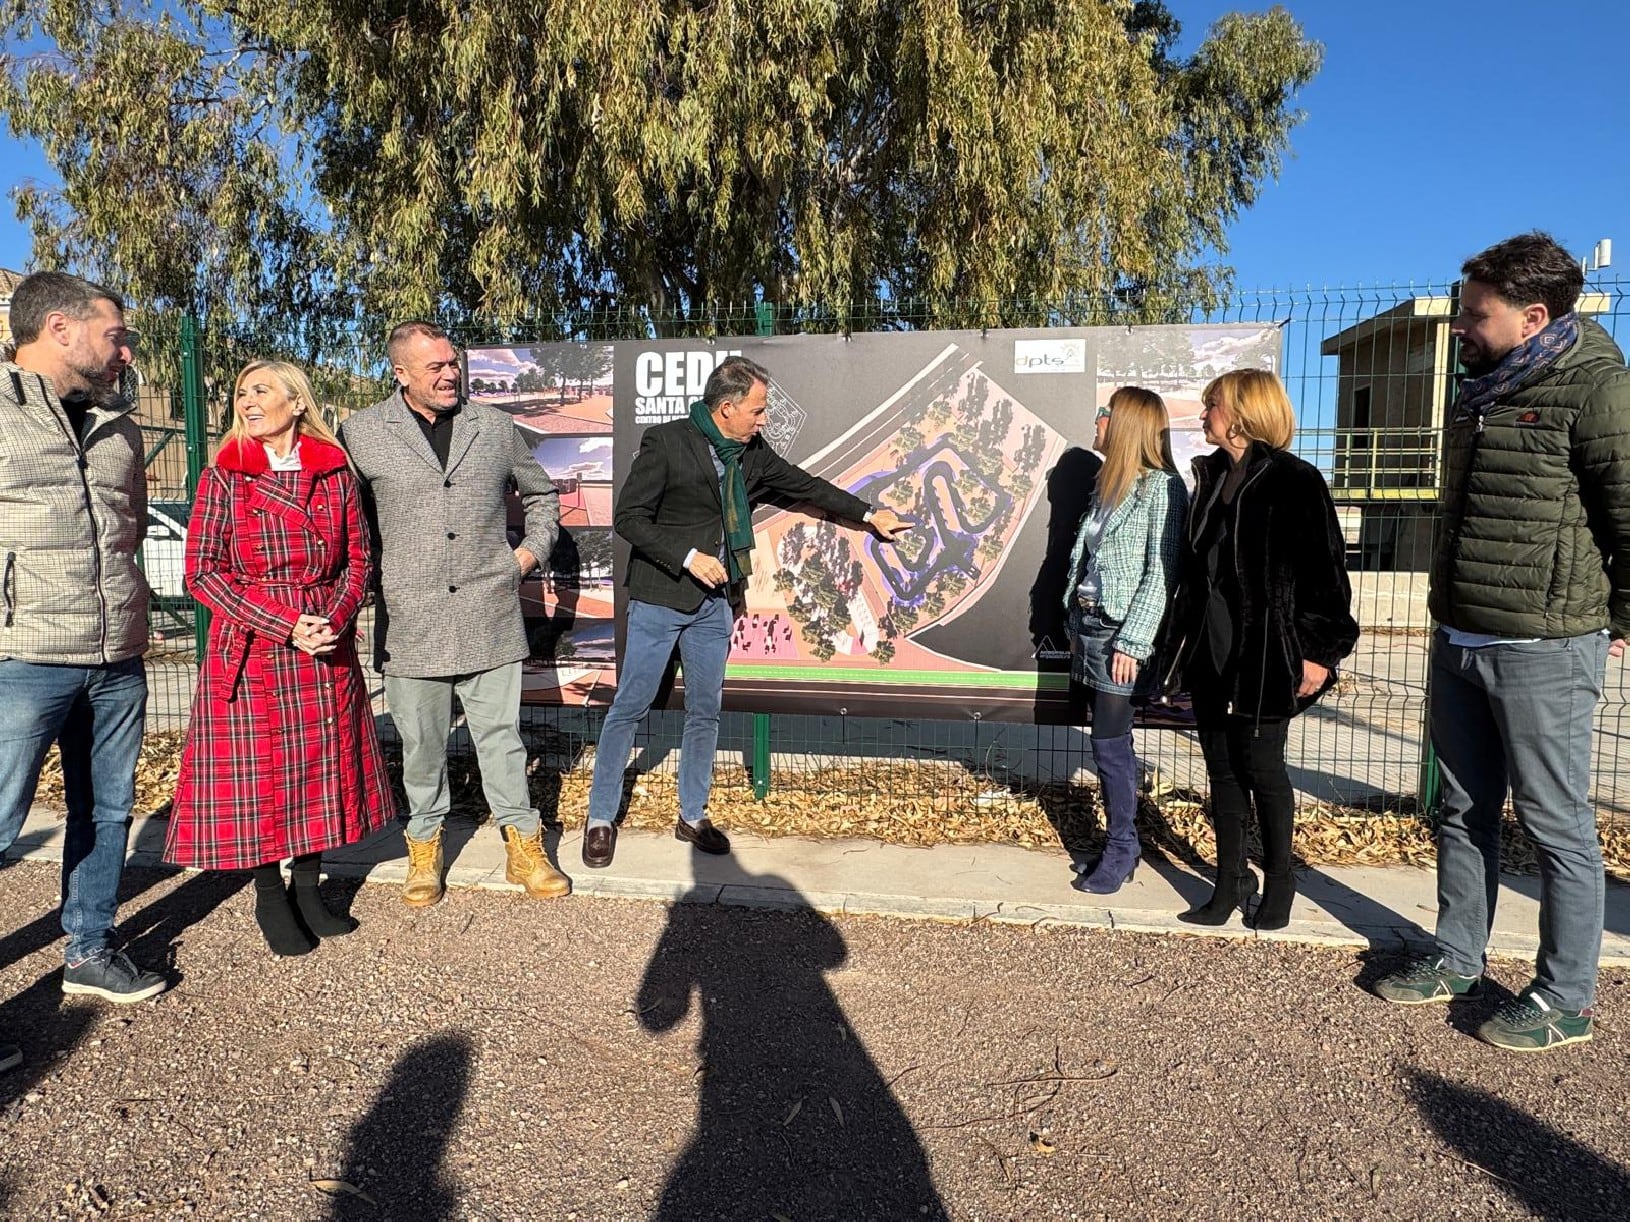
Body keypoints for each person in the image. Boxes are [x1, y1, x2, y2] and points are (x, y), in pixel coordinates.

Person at [1374, 232, 1630, 1052]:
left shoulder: (1598, 390)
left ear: (1532, 316)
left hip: (1545, 646)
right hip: (1459, 634)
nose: (1458, 328)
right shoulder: (1479, 386)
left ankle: (1566, 999)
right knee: (1462, 809)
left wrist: (1616, 625)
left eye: (1472, 315)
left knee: (1556, 827)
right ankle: (1457, 955)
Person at [581, 356, 910, 868]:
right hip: (659, 598)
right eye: (757, 411)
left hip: (715, 605)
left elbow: (806, 485)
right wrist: (689, 557)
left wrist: (870, 514)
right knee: (631, 707)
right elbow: (628, 518)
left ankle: (693, 815)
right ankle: (600, 818)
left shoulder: (752, 454)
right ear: (727, 408)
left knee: (704, 712)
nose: (763, 421)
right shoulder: (665, 443)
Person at [164, 361, 395, 955]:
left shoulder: (335, 472)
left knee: (320, 768)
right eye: (241, 392)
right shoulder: (224, 477)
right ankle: (270, 893)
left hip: (324, 640)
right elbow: (202, 574)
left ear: (297, 403)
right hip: (253, 644)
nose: (247, 400)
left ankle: (309, 888)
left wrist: (334, 622)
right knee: (262, 774)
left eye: (260, 390)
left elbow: (359, 564)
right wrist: (286, 623)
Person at [340, 321, 567, 907]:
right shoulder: (361, 433)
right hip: (410, 619)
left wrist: (527, 554)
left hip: (489, 612)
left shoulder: (492, 427)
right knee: (421, 746)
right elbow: (347, 522)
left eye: (452, 364)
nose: (449, 375)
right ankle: (424, 847)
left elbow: (541, 494)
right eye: (434, 367)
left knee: (502, 739)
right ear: (400, 373)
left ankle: (524, 844)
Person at [0, 271, 167, 1021]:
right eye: (114, 333)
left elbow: (126, 528)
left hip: (116, 659)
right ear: (61, 329)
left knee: (106, 811)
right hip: (21, 658)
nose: (124, 351)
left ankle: (89, 949)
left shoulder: (117, 426)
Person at [1164, 369, 1358, 931]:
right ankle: (1229, 883)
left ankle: (1280, 881)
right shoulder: (1211, 478)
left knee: (1264, 770)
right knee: (1221, 773)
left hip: (1267, 655)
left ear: (1243, 412)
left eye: (1213, 406)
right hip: (1210, 652)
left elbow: (1327, 578)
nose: (1204, 416)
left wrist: (1320, 653)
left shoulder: (1295, 480)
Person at [1062, 387, 1187, 894]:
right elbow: (1087, 562)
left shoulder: (1162, 489)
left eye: (1103, 414)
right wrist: (1073, 622)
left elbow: (1161, 574)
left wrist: (1133, 643)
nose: (1095, 421)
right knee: (1108, 741)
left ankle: (1122, 847)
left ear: (1126, 423)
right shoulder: (1106, 485)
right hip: (1090, 627)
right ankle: (1121, 841)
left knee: (1110, 743)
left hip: (1121, 634)